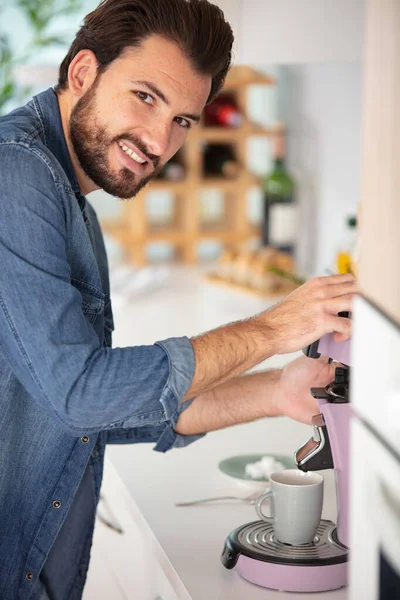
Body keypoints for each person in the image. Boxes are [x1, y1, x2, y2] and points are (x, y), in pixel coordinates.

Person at [0, 1, 356, 598]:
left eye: (184, 120)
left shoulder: (72, 202)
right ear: (83, 72)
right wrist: (273, 328)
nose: (159, 140)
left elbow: (97, 415)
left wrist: (273, 391)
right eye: (145, 96)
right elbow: (80, 395)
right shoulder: (16, 174)